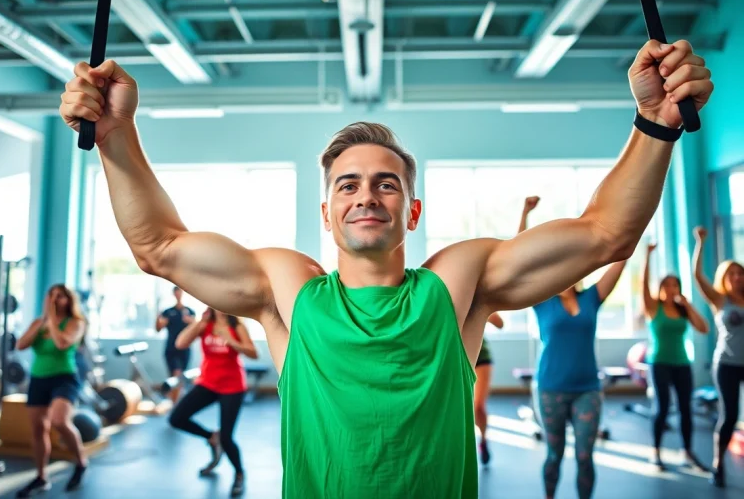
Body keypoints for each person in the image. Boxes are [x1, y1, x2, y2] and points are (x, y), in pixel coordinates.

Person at [58, 38, 713, 497]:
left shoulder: (458, 282)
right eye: (347, 185)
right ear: (327, 211)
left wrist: (654, 125)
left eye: (385, 184)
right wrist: (117, 135)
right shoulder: (289, 290)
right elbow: (159, 248)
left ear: (413, 210)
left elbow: (607, 234)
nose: (366, 195)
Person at [519, 196, 627, 499]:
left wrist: (629, 220)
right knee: (554, 455)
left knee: (584, 456)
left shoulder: (591, 298)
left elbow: (620, 260)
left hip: (587, 388)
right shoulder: (542, 300)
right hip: (551, 388)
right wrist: (525, 213)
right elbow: (520, 260)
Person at [169, 308, 257, 494]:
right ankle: (211, 437)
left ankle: (239, 474)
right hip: (208, 383)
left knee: (227, 438)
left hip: (232, 386)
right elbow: (180, 343)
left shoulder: (237, 325)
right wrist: (200, 323)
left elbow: (253, 353)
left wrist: (231, 340)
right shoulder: (205, 325)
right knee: (176, 418)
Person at [15, 284, 88, 497]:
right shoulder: (39, 323)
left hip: (64, 378)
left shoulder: (76, 322)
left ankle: (81, 462)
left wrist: (52, 320)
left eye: (61, 297)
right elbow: (21, 345)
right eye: (52, 296)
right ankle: (41, 477)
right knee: (38, 429)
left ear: (69, 300)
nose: (56, 300)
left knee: (59, 421)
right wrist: (43, 321)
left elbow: (62, 343)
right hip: (38, 379)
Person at [642, 243, 710, 472]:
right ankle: (655, 451)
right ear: (661, 288)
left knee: (685, 409)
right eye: (667, 285)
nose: (671, 289)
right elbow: (643, 287)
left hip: (682, 362)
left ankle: (687, 452)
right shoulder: (653, 308)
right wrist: (647, 256)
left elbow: (703, 328)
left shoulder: (683, 310)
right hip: (659, 362)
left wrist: (688, 305)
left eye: (675, 285)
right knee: (661, 407)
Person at [692, 226, 744, 487]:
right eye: (732, 273)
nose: (737, 277)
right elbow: (697, 276)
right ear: (725, 278)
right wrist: (700, 243)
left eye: (740, 273)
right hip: (727, 364)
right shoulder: (720, 300)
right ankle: (718, 463)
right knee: (730, 415)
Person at [156, 286, 196, 404]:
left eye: (180, 292)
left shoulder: (189, 312)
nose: (178, 295)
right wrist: (157, 319)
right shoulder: (168, 312)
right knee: (174, 376)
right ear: (174, 294)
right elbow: (158, 328)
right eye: (177, 292)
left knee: (179, 376)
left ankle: (175, 403)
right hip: (171, 348)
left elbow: (197, 329)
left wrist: (191, 322)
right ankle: (175, 404)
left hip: (185, 349)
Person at [474, 311, 503, 466]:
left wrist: (484, 310)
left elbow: (500, 323)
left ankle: (483, 440)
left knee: (478, 406)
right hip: (452, 355)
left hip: (480, 356)